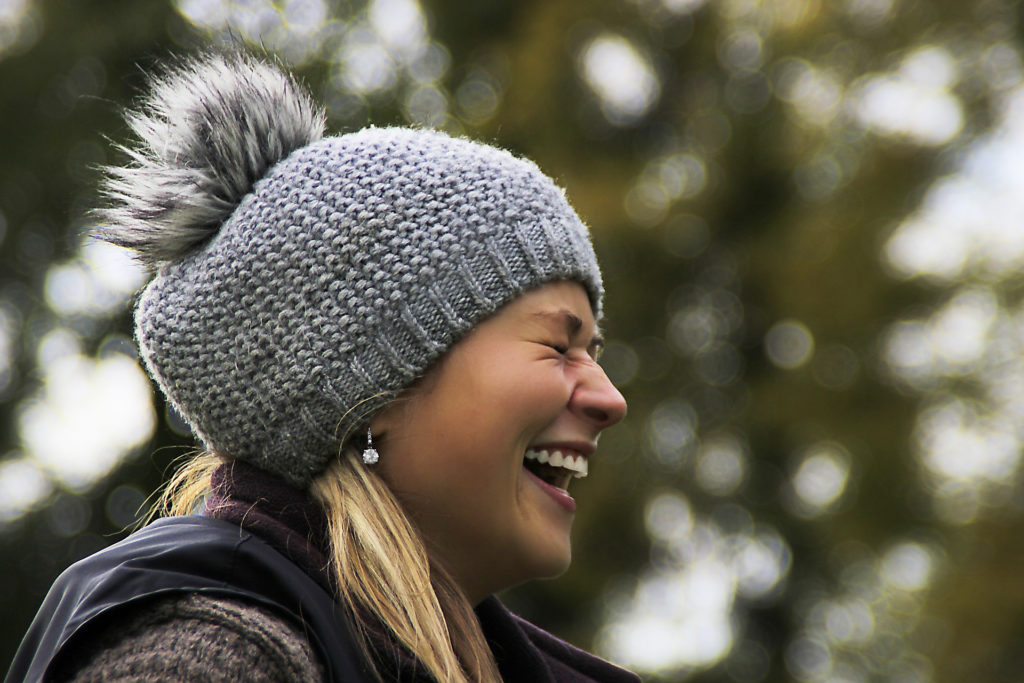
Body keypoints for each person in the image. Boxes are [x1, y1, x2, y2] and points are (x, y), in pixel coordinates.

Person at [7, 52, 634, 683]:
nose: (610, 399)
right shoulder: (213, 658)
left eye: (595, 353)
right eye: (558, 346)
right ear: (372, 393)